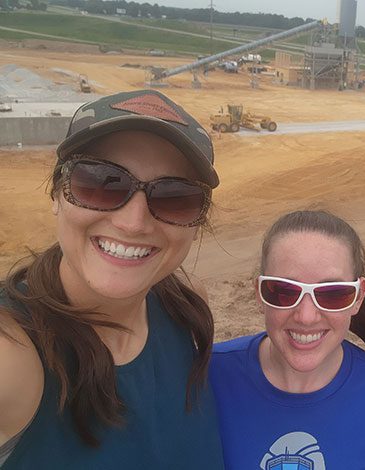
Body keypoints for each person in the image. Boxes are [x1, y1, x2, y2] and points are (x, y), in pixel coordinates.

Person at [0, 90, 224, 469]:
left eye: (175, 197)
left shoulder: (184, 310)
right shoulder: (14, 353)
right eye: (101, 182)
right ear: (57, 193)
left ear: (196, 224)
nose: (133, 223)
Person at [210, 210, 365, 469]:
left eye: (333, 294)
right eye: (284, 291)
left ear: (358, 298)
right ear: (260, 294)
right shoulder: (206, 378)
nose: (306, 317)